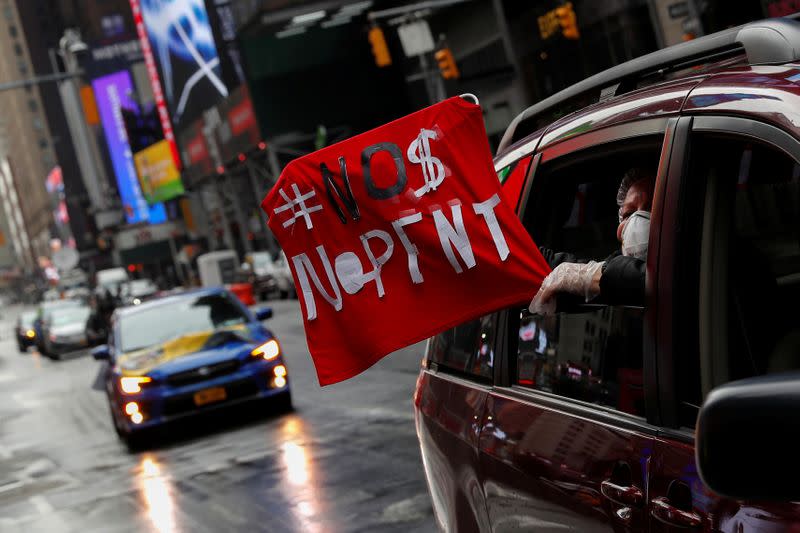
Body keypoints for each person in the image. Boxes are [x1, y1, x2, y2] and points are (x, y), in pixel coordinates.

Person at [529, 168, 655, 315]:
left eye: (650, 207)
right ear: (620, 230)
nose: (637, 221)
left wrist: (590, 277)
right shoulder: (615, 267)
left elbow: (656, 279)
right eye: (629, 213)